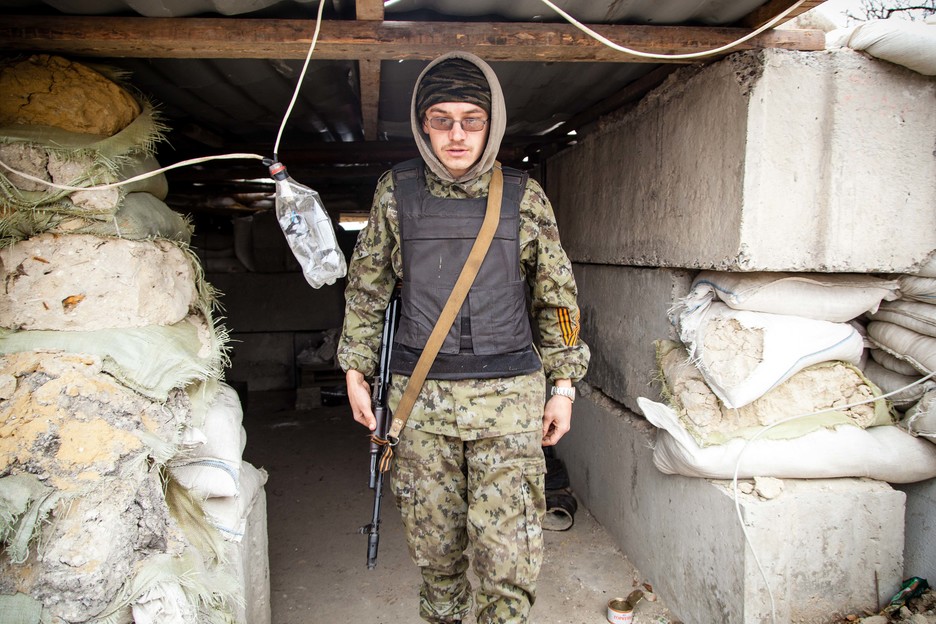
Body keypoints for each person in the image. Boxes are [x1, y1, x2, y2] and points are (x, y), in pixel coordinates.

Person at [337, 51, 590, 624]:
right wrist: (355, 370)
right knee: (436, 554)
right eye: (442, 119)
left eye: (471, 120)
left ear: (492, 123)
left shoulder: (524, 195)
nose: (456, 134)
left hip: (509, 407)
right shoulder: (395, 193)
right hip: (419, 407)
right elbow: (367, 288)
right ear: (423, 124)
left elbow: (560, 300)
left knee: (510, 559)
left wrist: (564, 387)